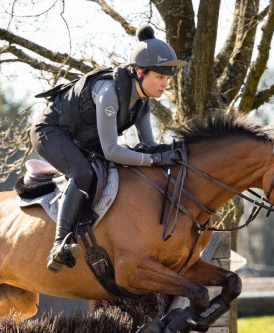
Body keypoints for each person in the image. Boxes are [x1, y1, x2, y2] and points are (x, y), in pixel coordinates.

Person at [30, 24, 186, 273]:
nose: (165, 84)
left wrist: (172, 153)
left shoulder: (143, 104)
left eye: (167, 78)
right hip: (50, 131)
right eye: (159, 77)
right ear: (139, 73)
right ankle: (59, 244)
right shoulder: (108, 93)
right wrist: (155, 160)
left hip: (81, 139)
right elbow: (112, 151)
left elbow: (149, 146)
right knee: (83, 173)